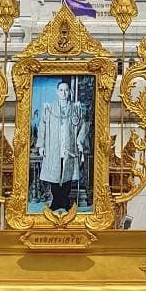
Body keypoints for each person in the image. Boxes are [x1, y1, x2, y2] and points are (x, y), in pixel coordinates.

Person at [37, 80, 88, 211]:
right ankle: (56, 202)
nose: (64, 93)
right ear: (57, 92)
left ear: (70, 92)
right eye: (61, 90)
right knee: (55, 174)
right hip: (53, 147)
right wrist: (41, 146)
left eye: (66, 90)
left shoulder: (75, 108)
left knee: (68, 174)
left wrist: (79, 141)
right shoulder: (49, 108)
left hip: (69, 148)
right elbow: (42, 127)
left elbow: (83, 126)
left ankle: (65, 201)